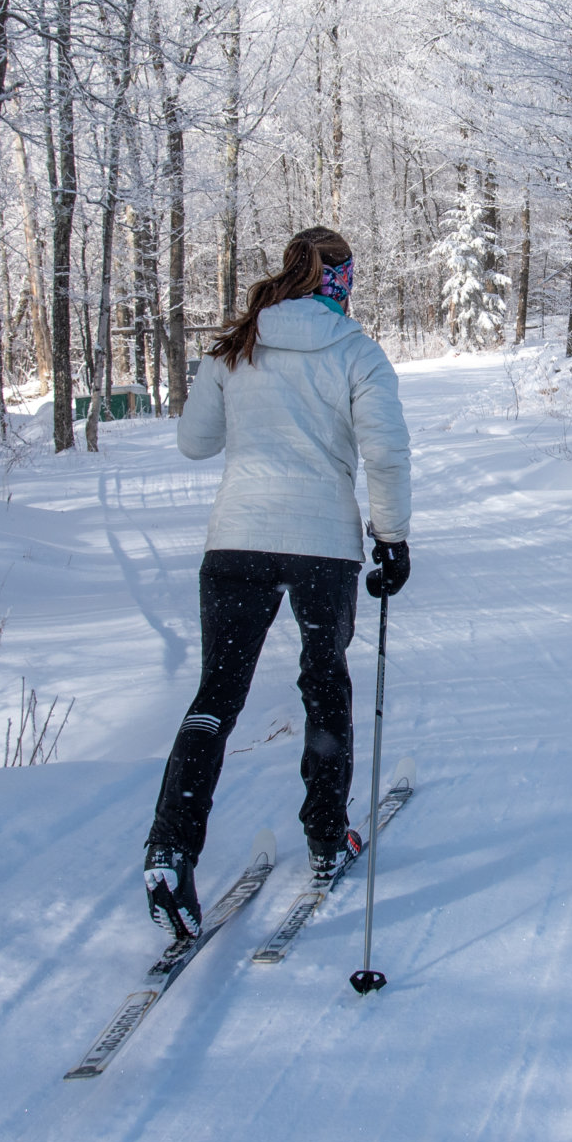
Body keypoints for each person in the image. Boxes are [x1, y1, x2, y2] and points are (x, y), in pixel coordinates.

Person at [142, 227, 412, 939]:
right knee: (324, 681)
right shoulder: (357, 351)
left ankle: (171, 847)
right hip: (322, 545)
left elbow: (195, 441)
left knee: (217, 697)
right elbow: (385, 452)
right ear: (343, 280)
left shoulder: (239, 346)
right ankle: (325, 834)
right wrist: (392, 538)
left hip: (236, 540)